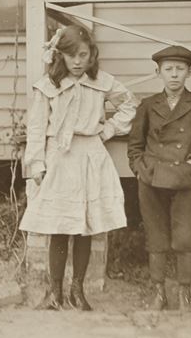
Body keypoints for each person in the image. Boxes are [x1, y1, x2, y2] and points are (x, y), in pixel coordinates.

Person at [20, 24, 138, 311]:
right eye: (71, 55)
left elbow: (130, 104)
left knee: (85, 226)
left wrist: (107, 129)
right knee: (59, 226)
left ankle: (78, 291)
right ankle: (55, 293)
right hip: (58, 158)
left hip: (89, 156)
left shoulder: (101, 82)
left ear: (91, 55)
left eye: (83, 54)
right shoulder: (47, 86)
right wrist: (37, 162)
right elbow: (36, 127)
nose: (77, 61)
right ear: (60, 56)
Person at [127, 45, 191, 312]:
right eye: (168, 69)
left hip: (184, 178)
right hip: (152, 177)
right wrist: (139, 168)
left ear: (189, 72)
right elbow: (135, 144)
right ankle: (159, 293)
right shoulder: (147, 105)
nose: (174, 75)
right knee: (156, 237)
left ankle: (185, 294)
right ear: (158, 72)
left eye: (180, 69)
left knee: (184, 237)